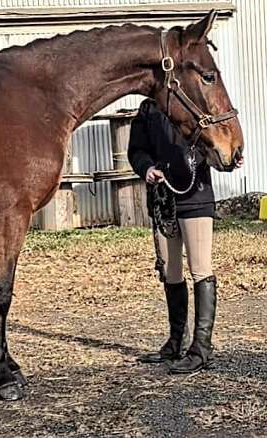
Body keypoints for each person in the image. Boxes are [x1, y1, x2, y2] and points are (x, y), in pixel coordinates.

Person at [127, 98, 242, 374]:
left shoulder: (194, 102)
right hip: (162, 198)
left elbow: (215, 139)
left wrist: (228, 160)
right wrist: (146, 169)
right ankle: (176, 341)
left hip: (196, 195)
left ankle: (201, 348)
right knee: (170, 271)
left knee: (200, 268)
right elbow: (137, 150)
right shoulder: (147, 109)